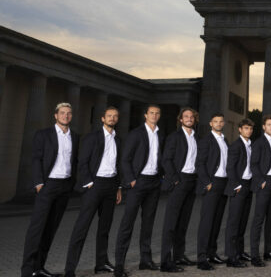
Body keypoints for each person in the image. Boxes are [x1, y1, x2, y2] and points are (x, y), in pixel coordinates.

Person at [22, 102, 80, 277]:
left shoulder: (75, 136)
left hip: (64, 187)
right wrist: (39, 183)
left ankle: (39, 268)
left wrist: (71, 184)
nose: (66, 116)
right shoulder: (43, 134)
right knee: (36, 229)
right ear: (55, 115)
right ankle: (27, 271)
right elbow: (36, 159)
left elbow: (74, 162)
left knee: (51, 229)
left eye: (69, 113)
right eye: (62, 113)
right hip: (47, 186)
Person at [65, 106, 122, 276]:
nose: (112, 118)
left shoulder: (119, 140)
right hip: (94, 186)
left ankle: (101, 264)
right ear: (102, 119)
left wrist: (118, 187)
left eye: (115, 116)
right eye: (109, 116)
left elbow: (118, 165)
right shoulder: (92, 137)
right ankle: (70, 269)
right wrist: (89, 183)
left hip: (111, 186)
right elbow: (82, 162)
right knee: (81, 227)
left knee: (104, 228)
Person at [114, 104, 164, 277]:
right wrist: (132, 181)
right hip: (138, 183)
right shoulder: (136, 134)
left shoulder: (160, 134)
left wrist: (161, 178)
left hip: (154, 183)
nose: (154, 115)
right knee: (127, 223)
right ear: (145, 115)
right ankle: (119, 264)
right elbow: (125, 160)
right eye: (151, 113)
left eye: (157, 113)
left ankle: (145, 260)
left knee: (148, 223)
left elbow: (161, 158)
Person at [160, 107, 200, 272]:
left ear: (195, 119)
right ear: (181, 119)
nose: (189, 118)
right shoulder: (174, 137)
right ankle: (165, 261)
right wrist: (175, 179)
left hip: (192, 181)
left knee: (183, 222)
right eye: (186, 116)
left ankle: (179, 256)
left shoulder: (198, 138)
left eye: (191, 116)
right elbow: (166, 160)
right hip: (180, 180)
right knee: (171, 222)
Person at [248, 114, 271, 267]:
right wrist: (261, 181)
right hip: (265, 182)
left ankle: (268, 251)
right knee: (259, 220)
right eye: (269, 124)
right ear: (263, 127)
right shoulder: (258, 143)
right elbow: (254, 164)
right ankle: (255, 255)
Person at [195, 113, 230, 270]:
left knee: (217, 221)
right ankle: (201, 258)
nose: (218, 123)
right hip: (212, 183)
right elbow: (200, 163)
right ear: (211, 123)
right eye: (215, 121)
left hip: (223, 183)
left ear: (223, 123)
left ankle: (211, 253)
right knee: (207, 221)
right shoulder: (206, 141)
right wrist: (207, 182)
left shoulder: (225, 140)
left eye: (221, 121)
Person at [224, 118, 255, 268]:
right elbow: (230, 167)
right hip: (239, 186)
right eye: (246, 128)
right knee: (234, 223)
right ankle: (231, 257)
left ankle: (240, 252)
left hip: (248, 186)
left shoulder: (250, 145)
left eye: (250, 129)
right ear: (240, 130)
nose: (248, 131)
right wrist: (237, 185)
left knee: (243, 221)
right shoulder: (236, 146)